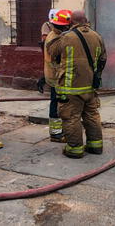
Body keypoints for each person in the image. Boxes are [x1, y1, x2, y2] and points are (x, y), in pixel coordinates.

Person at [47, 10, 107, 159]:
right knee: (92, 115)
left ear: (71, 23)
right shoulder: (97, 36)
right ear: (85, 20)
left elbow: (52, 51)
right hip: (90, 86)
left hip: (70, 88)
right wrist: (94, 75)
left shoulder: (67, 37)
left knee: (71, 117)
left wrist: (57, 31)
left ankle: (75, 149)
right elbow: (103, 59)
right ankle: (95, 146)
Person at [42, 9, 72, 142]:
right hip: (56, 77)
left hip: (55, 76)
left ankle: (59, 130)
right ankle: (55, 134)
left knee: (59, 102)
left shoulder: (55, 34)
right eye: (67, 26)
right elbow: (60, 58)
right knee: (57, 103)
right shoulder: (55, 38)